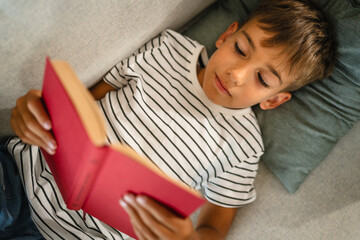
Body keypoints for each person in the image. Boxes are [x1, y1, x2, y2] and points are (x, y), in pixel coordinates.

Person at [8, 0, 336, 239]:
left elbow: (213, 228)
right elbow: (86, 99)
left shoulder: (243, 148)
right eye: (240, 49)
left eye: (262, 80)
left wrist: (187, 239)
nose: (236, 74)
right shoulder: (169, 49)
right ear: (226, 35)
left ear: (275, 100)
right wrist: (38, 112)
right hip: (22, 174)